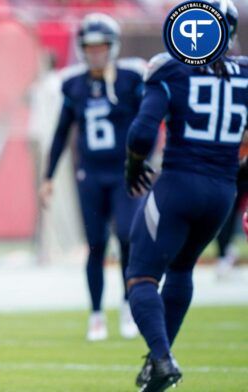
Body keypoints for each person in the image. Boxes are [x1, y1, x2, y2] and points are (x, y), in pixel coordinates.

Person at [125, 1, 245, 390]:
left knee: (141, 276)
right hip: (223, 192)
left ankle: (161, 357)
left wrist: (134, 165)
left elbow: (143, 133)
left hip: (179, 184)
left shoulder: (172, 67)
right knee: (181, 269)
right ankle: (159, 361)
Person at [39, 13, 143, 341]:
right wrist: (49, 176)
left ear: (112, 47)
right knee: (96, 245)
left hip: (124, 173)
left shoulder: (129, 79)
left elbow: (147, 124)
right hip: (91, 174)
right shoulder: (74, 84)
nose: (95, 53)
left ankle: (128, 306)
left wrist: (142, 160)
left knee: (127, 238)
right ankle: (96, 314)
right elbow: (61, 132)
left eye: (101, 47)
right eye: (90, 47)